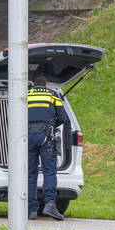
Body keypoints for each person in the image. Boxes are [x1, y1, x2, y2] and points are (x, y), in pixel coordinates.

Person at [27, 70, 69, 220]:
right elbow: (63, 117)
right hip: (46, 136)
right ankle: (50, 205)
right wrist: (50, 125)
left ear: (32, 83)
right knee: (49, 172)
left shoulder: (25, 94)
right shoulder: (52, 94)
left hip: (28, 137)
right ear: (46, 84)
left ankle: (31, 210)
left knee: (30, 174)